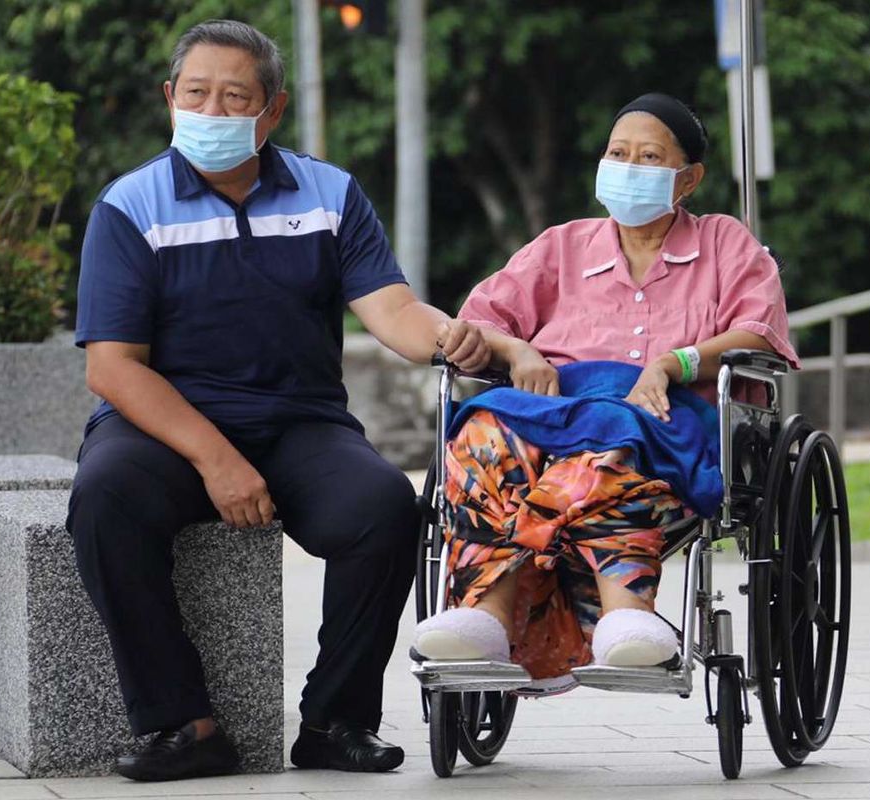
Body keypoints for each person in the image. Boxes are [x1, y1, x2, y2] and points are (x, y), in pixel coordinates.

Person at [66, 19, 489, 782]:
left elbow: (391, 308)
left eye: (236, 97)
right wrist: (217, 459)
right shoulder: (129, 207)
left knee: (385, 504)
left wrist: (452, 335)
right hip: (165, 427)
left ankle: (336, 719)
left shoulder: (331, 195)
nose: (214, 111)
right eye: (196, 94)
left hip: (300, 422)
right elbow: (114, 370)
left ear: (274, 110)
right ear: (169, 98)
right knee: (103, 500)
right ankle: (183, 724)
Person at [410, 93, 799, 690]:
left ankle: (626, 614)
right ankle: (484, 616)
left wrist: (675, 362)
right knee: (483, 429)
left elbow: (760, 331)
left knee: (613, 437)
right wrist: (519, 350)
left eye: (649, 157)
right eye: (619, 153)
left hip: (666, 419)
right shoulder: (561, 246)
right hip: (553, 412)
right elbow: (478, 322)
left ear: (688, 178)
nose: (629, 167)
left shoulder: (724, 242)